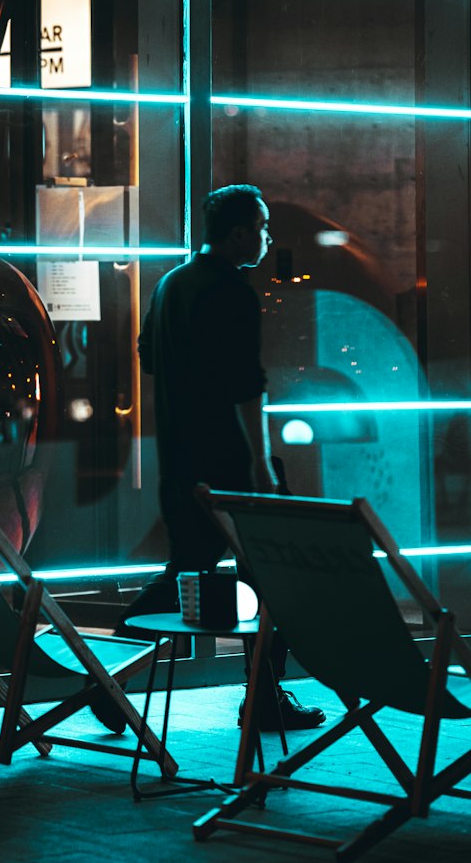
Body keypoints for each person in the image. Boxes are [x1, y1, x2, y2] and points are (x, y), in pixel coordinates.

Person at [116, 183, 325, 732]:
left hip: (181, 462)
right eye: (261, 228)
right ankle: (264, 699)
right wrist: (260, 463)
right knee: (269, 574)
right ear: (239, 235)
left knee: (185, 568)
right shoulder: (232, 292)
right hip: (229, 465)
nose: (266, 238)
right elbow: (246, 387)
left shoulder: (169, 286)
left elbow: (149, 358)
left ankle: (107, 672)